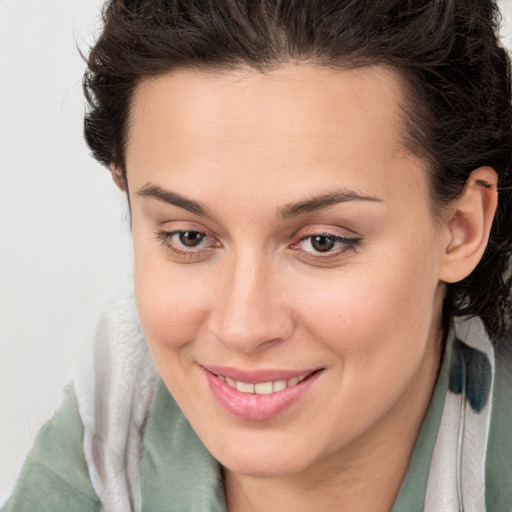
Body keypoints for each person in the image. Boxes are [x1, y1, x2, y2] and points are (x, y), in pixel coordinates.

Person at [3, 0, 512, 511]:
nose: (244, 327)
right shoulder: (95, 447)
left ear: (460, 228)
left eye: (323, 241)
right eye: (188, 237)